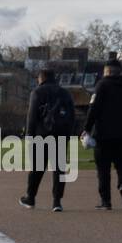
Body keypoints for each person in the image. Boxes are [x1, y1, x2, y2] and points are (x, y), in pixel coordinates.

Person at [82, 58, 122, 209]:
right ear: (120, 71)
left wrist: (87, 128)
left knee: (103, 168)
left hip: (104, 134)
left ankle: (106, 201)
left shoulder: (102, 85)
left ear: (107, 71)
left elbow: (93, 109)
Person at [20, 69, 75, 212]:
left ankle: (30, 197)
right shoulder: (65, 93)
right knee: (59, 169)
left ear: (41, 78)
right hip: (61, 135)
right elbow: (71, 117)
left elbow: (32, 116)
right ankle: (57, 201)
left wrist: (29, 135)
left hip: (41, 134)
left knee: (38, 168)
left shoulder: (37, 92)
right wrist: (69, 135)